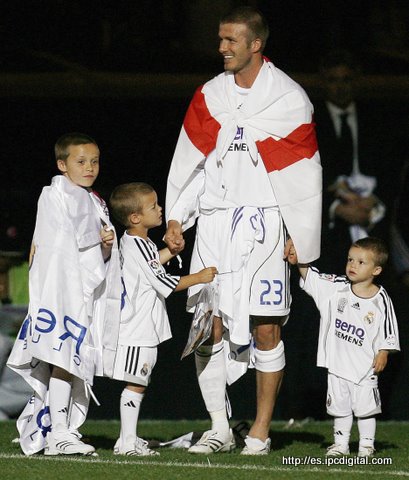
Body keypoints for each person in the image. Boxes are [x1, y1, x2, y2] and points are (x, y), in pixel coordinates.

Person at [164, 6, 322, 455]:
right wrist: (177, 217)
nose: (222, 48)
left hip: (264, 225)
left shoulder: (288, 98)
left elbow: (303, 174)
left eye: (231, 40)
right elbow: (191, 162)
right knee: (207, 326)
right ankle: (219, 427)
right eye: (220, 39)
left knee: (266, 328)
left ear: (256, 44)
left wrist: (299, 232)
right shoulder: (210, 95)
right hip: (215, 223)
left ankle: (260, 431)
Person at [7, 133, 121, 456]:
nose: (89, 167)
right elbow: (56, 243)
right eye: (81, 161)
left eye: (94, 161)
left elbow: (89, 250)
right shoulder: (55, 195)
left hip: (79, 291)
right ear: (62, 164)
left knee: (66, 360)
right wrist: (95, 243)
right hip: (60, 290)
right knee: (62, 358)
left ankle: (47, 427)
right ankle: (59, 432)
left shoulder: (92, 200)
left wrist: (105, 246)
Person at [109, 182, 217, 456]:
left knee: (138, 381)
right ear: (135, 217)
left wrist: (172, 252)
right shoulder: (139, 244)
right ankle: (127, 442)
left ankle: (127, 439)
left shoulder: (134, 241)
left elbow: (150, 266)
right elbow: (164, 282)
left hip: (140, 324)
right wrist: (199, 277)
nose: (160, 210)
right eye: (153, 206)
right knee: (136, 382)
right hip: (137, 326)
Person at [288, 237, 400, 457]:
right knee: (340, 408)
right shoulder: (337, 288)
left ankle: (366, 445)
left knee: (366, 410)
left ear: (376, 270)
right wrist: (300, 260)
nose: (352, 265)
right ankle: (341, 444)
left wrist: (384, 352)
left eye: (361, 262)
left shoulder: (381, 299)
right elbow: (312, 277)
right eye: (350, 259)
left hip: (365, 367)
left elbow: (389, 329)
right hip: (337, 366)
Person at [314, 49, 390, 274]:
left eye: (346, 79)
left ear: (356, 80)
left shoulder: (376, 118)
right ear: (323, 81)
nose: (340, 86)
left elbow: (390, 167)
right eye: (333, 80)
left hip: (372, 215)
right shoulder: (311, 121)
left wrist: (374, 200)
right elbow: (302, 175)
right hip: (329, 222)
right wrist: (336, 207)